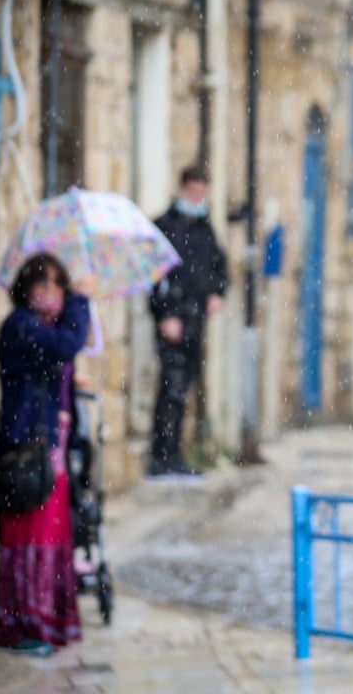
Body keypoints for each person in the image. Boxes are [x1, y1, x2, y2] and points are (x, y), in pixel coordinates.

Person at [0, 254, 94, 654]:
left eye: (57, 285)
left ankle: (48, 620)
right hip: (27, 450)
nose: (49, 293)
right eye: (41, 285)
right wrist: (82, 301)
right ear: (25, 289)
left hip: (51, 448)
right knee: (30, 536)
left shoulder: (42, 328)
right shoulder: (21, 326)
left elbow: (56, 362)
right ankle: (25, 625)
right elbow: (65, 345)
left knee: (51, 535)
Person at [148, 166, 228, 477]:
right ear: (182, 189)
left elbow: (218, 267)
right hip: (172, 321)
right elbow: (156, 277)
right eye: (193, 191)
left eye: (201, 193)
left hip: (196, 321)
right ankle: (161, 454)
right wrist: (166, 313)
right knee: (171, 387)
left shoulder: (204, 228)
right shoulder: (164, 227)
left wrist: (216, 293)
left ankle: (176, 454)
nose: (197, 198)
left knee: (184, 388)